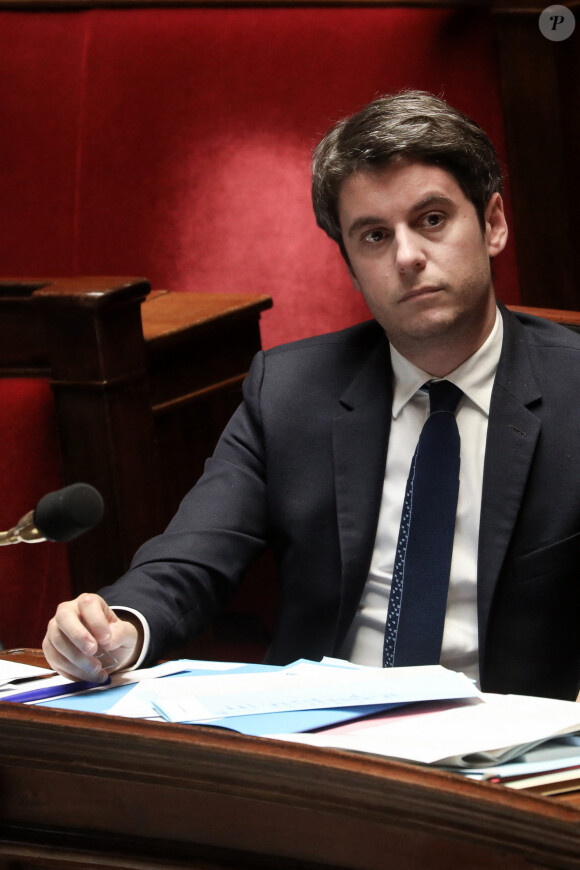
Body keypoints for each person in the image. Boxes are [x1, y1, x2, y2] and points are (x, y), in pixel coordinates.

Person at [43, 90, 580, 701]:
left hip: (514, 761)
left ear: (493, 224)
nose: (407, 257)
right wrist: (116, 628)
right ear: (350, 264)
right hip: (321, 748)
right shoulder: (291, 392)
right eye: (374, 236)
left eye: (431, 220)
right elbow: (190, 560)